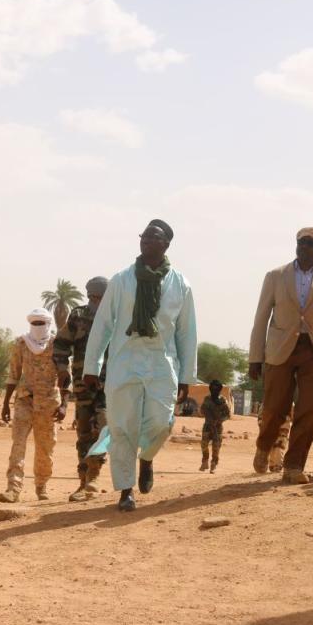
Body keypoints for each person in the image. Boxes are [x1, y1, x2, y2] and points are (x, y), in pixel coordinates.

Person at [83, 219, 198, 512]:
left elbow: (186, 333)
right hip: (124, 361)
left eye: (153, 237)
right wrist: (92, 366)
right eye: (143, 236)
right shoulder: (121, 280)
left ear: (166, 244)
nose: (146, 240)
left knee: (162, 422)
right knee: (122, 426)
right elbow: (103, 323)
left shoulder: (180, 284)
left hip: (162, 363)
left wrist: (187, 376)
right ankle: (126, 489)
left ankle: (146, 457)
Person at [248, 227, 313, 484]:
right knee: (274, 407)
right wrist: (255, 357)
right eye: (301, 242)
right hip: (279, 349)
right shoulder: (275, 276)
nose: (303, 246)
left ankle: (293, 466)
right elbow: (261, 318)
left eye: (310, 243)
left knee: (309, 410)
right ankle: (264, 445)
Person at [0, 308, 67, 502]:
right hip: (24, 401)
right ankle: (13, 488)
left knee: (45, 448)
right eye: (34, 323)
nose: (37, 326)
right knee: (18, 444)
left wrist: (64, 405)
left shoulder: (56, 345)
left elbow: (65, 376)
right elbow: (13, 374)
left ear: (48, 324)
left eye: (41, 323)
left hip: (49, 404)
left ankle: (41, 485)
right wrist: (5, 403)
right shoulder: (21, 343)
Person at [54, 276, 110, 502]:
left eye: (100, 297)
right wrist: (62, 369)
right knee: (84, 432)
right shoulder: (78, 316)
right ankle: (83, 481)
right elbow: (61, 344)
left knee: (103, 426)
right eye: (93, 297)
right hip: (82, 385)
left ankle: (94, 475)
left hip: (109, 385)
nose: (96, 301)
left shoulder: (117, 317)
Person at [199, 379, 231, 472]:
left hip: (218, 427)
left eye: (216, 388)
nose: (214, 390)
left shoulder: (223, 400)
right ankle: (205, 462)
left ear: (219, 389)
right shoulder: (207, 399)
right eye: (212, 388)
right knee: (204, 445)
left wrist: (219, 420)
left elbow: (228, 415)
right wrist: (207, 415)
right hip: (207, 426)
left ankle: (214, 464)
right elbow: (202, 410)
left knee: (216, 447)